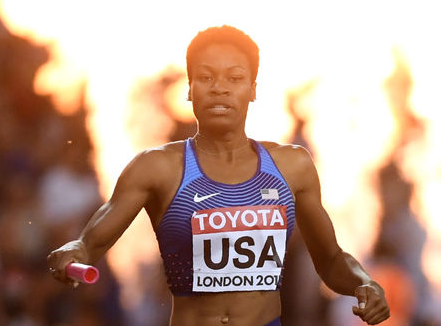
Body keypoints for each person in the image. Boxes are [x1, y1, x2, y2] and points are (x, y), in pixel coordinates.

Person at [47, 26, 389, 325]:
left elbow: (329, 259)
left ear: (253, 89)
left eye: (235, 78)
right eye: (206, 77)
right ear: (189, 89)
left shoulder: (292, 166)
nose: (220, 89)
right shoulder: (157, 167)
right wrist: (75, 251)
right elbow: (91, 243)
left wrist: (364, 282)